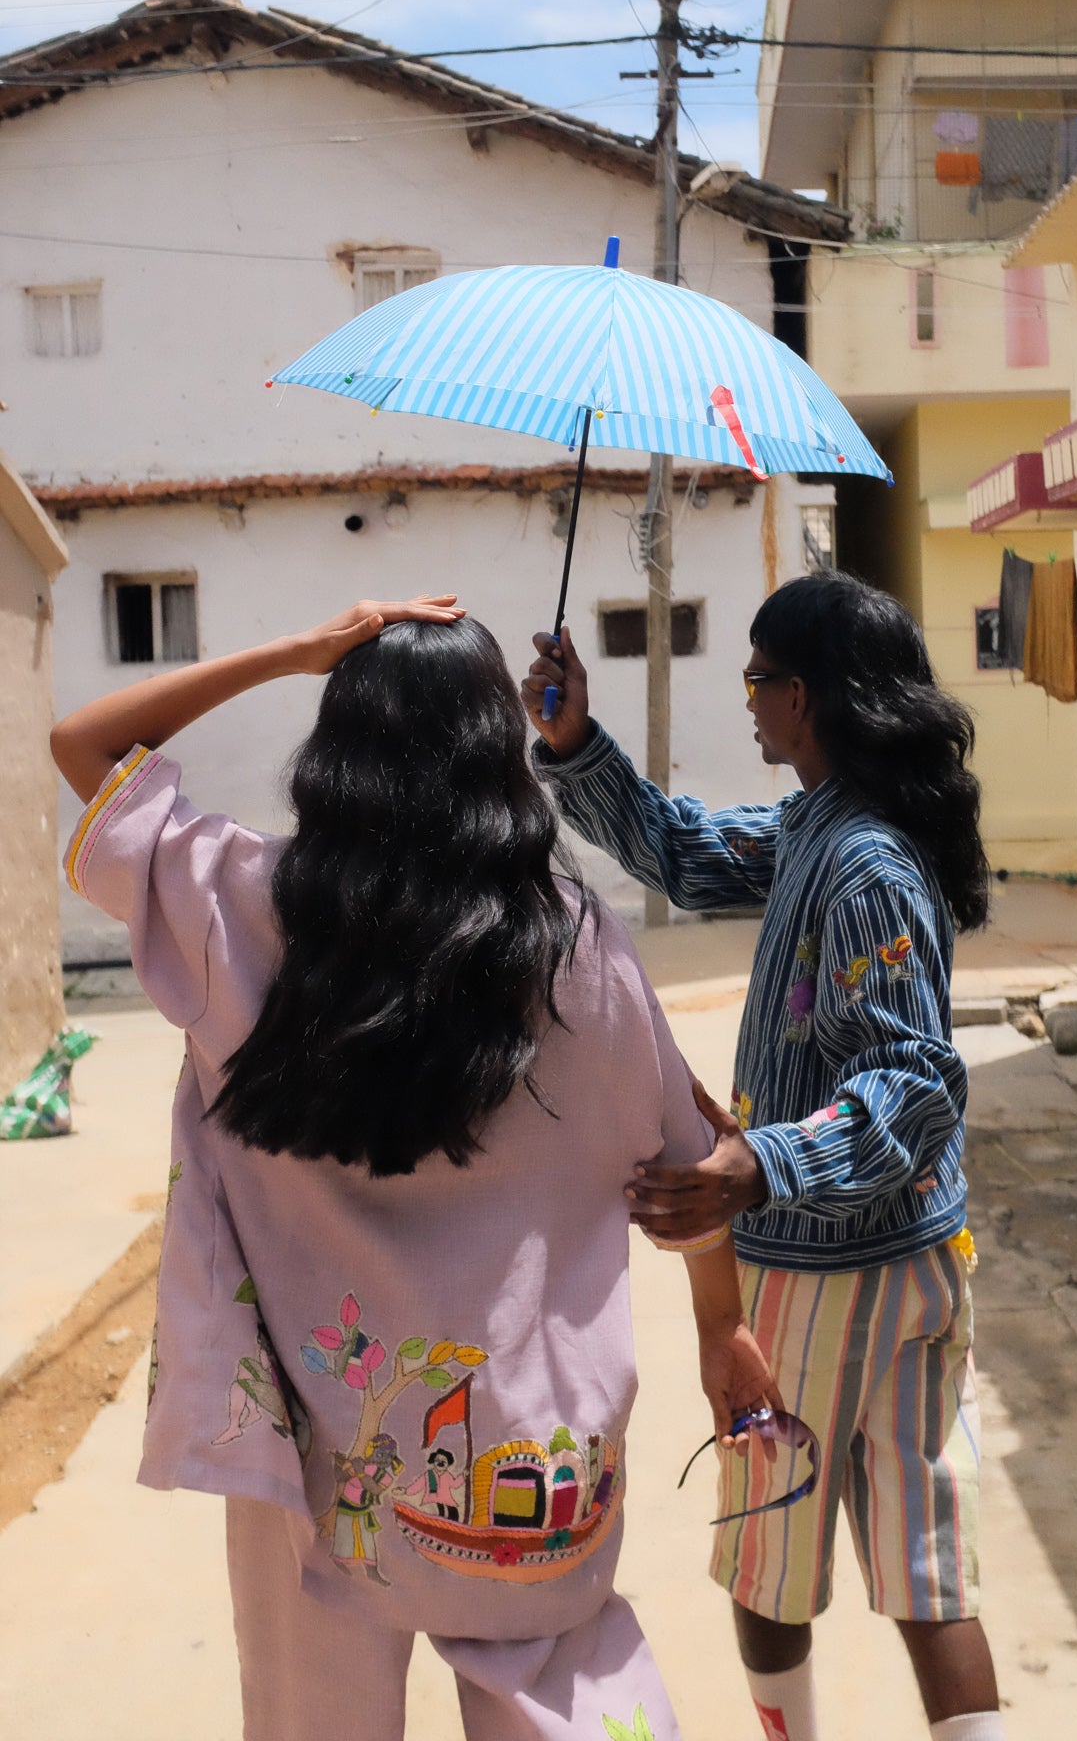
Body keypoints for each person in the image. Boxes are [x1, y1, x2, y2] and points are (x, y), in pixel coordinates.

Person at [51, 595, 776, 1741]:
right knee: (573, 1691)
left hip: (317, 1462)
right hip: (520, 1466)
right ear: (496, 746)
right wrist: (720, 1325)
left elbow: (82, 744)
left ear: (338, 745)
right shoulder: (577, 944)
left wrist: (295, 645)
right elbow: (689, 1176)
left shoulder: (232, 904)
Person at [524, 571, 1006, 1741]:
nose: (745, 704)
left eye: (754, 680)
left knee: (769, 1552)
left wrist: (757, 1166)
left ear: (806, 696)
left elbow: (913, 1082)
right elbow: (685, 852)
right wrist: (574, 739)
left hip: (826, 1278)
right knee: (924, 1564)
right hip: (912, 1261)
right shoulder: (820, 826)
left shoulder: (866, 865)